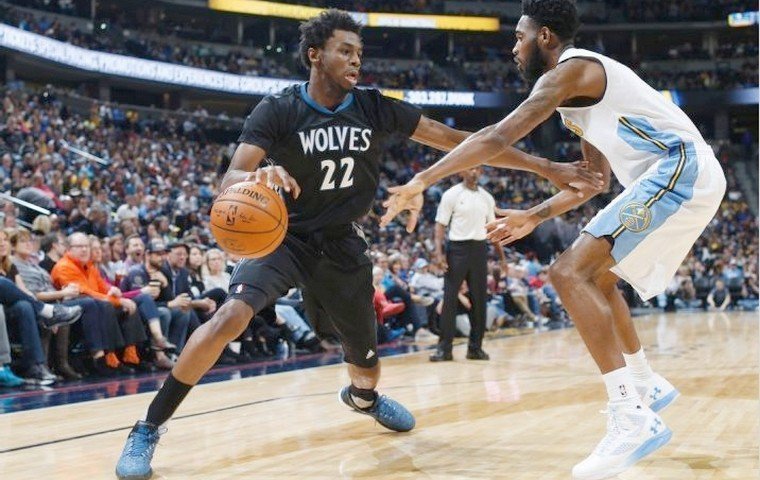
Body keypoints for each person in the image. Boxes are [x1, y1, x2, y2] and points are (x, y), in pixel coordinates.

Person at [115, 9, 597, 479]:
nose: (356, 60)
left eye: (358, 53)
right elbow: (231, 177)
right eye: (345, 51)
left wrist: (546, 167)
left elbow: (457, 139)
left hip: (343, 244)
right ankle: (147, 427)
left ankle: (363, 398)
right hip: (285, 238)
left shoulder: (373, 106)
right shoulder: (279, 108)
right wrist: (257, 176)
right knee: (229, 318)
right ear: (314, 55)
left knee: (365, 365)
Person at [382, 1, 726, 478]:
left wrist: (423, 179)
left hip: (680, 168)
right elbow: (592, 182)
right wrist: (533, 214)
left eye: (518, 37)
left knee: (567, 273)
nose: (513, 47)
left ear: (544, 36)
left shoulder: (573, 70)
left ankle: (631, 416)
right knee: (596, 279)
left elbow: (497, 137)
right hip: (677, 175)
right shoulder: (577, 105)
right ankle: (644, 382)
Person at [430, 167, 506, 362]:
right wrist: (438, 253)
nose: (474, 172)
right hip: (457, 249)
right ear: (461, 172)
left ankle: (475, 348)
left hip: (480, 249)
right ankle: (444, 349)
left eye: (478, 168)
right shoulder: (451, 194)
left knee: (480, 300)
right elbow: (440, 225)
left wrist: (502, 258)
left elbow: (493, 229)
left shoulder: (487, 197)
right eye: (470, 168)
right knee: (450, 298)